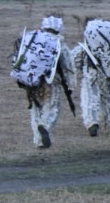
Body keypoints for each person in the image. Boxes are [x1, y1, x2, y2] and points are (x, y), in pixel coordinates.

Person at [10, 15, 75, 149]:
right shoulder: (59, 43)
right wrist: (70, 85)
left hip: (31, 82)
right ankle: (44, 126)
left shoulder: (31, 39)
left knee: (35, 108)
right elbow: (68, 65)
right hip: (50, 82)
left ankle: (38, 141)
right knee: (52, 107)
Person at [76, 17, 110, 137]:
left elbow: (77, 58)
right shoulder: (108, 37)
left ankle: (92, 123)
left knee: (89, 97)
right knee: (108, 99)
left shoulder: (89, 40)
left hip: (91, 71)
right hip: (108, 72)